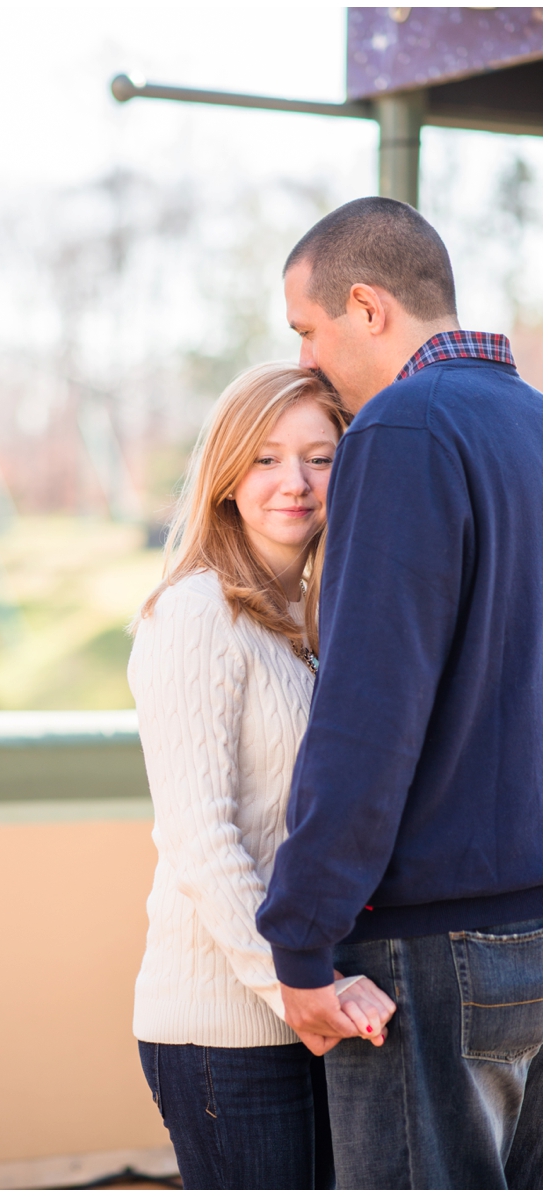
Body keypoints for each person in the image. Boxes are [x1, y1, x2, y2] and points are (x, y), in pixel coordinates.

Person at [257, 196, 542, 1189]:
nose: (303, 360)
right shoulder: (533, 424)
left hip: (426, 951)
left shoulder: (400, 430)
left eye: (307, 327)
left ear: (368, 308)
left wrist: (299, 941)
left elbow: (369, 716)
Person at [129, 362, 397, 1188]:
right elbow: (200, 838)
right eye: (268, 458)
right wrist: (292, 986)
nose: (297, 483)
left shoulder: (299, 625)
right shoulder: (197, 613)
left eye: (321, 458)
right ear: (227, 476)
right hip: (225, 1031)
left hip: (297, 1011)